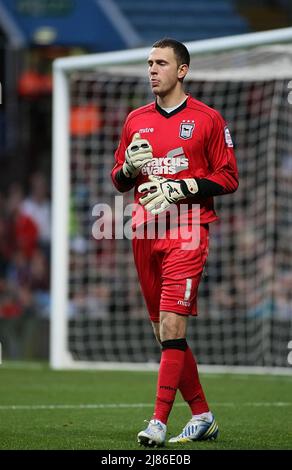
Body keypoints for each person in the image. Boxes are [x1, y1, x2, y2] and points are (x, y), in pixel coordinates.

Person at [111, 38, 238, 447]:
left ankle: (158, 423)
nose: (152, 70)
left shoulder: (207, 119)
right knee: (163, 333)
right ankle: (202, 416)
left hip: (187, 230)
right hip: (144, 234)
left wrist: (181, 187)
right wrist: (129, 166)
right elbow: (118, 179)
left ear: (181, 70)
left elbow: (228, 177)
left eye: (161, 63)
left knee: (171, 326)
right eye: (149, 63)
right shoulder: (135, 119)